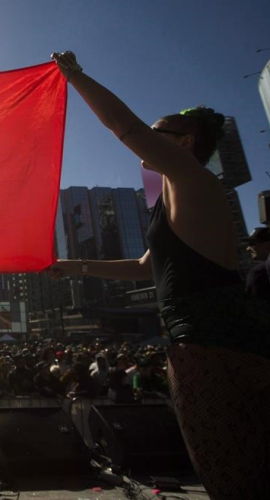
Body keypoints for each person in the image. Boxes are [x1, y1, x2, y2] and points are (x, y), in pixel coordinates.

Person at [49, 51, 270, 499]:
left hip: (212, 345)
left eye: (156, 132)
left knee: (231, 468)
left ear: (185, 142)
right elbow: (141, 269)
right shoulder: (175, 195)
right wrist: (66, 265)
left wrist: (73, 75)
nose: (144, 139)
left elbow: (123, 126)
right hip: (213, 341)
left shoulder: (193, 179)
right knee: (243, 460)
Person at [243, 227, 270, 301]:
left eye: (252, 244)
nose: (248, 248)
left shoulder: (258, 273)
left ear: (268, 245)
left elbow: (256, 308)